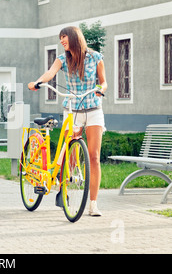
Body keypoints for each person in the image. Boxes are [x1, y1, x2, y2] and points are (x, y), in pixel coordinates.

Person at [28, 26, 107, 216]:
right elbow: (50, 73)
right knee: (69, 153)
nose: (62, 40)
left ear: (74, 37)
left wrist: (101, 89)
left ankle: (93, 204)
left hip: (94, 109)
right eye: (60, 38)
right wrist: (37, 82)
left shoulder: (96, 57)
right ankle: (65, 190)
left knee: (94, 157)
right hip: (72, 110)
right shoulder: (62, 59)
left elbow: (103, 81)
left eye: (64, 37)